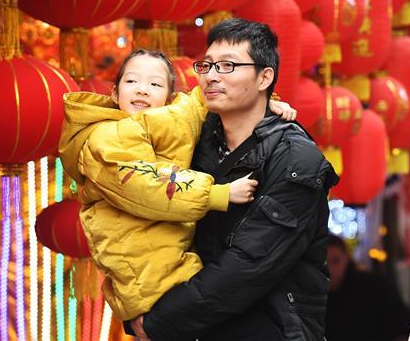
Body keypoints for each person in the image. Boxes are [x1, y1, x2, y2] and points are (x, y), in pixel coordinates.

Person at [133, 18, 339, 341]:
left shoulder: (297, 160)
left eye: (228, 66)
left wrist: (158, 322)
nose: (212, 76)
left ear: (264, 78)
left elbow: (247, 266)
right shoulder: (199, 137)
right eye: (208, 65)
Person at [59, 49, 282, 323]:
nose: (142, 90)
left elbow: (203, 101)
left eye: (154, 84)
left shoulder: (171, 119)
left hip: (173, 252)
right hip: (143, 267)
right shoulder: (105, 136)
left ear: (169, 97)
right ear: (115, 94)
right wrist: (216, 193)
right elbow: (143, 184)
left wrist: (265, 103)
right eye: (131, 82)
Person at [325, 235, 410, 341]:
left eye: (336, 261)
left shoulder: (375, 287)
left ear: (346, 259)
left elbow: (405, 326)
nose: (330, 269)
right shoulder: (307, 296)